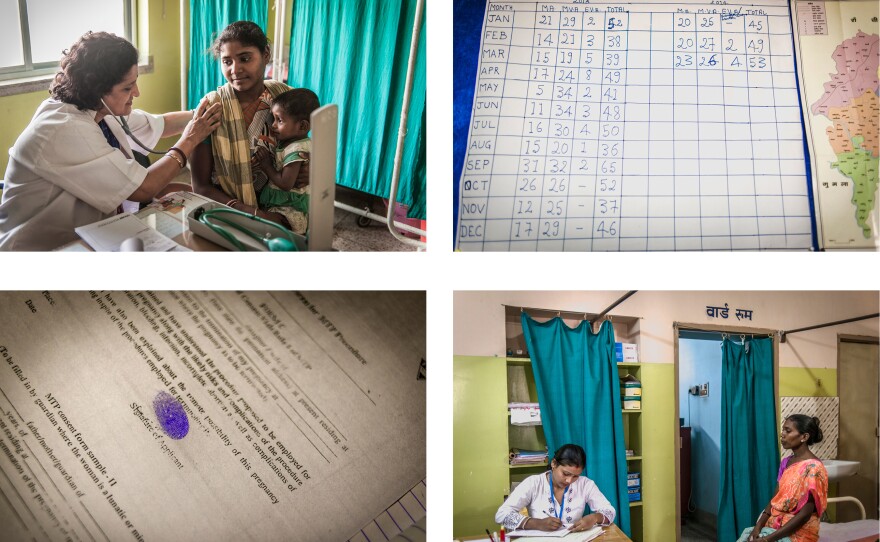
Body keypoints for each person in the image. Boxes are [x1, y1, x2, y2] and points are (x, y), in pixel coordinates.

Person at [0, 31, 221, 251]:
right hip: (39, 250)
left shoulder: (97, 110)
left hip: (87, 237)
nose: (137, 92)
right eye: (127, 87)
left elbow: (161, 124)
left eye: (135, 83)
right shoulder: (62, 128)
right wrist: (191, 139)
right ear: (97, 88)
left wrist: (204, 112)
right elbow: (144, 188)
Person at [191, 21, 308, 227]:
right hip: (228, 209)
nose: (235, 69)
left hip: (279, 208)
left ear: (266, 55)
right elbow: (200, 186)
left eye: (245, 58)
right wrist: (250, 212)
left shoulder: (285, 99)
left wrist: (306, 170)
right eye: (227, 61)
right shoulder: (212, 108)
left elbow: (301, 148)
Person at [737, 415, 828, 542]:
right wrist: (758, 527)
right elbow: (775, 500)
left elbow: (804, 515)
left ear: (804, 437)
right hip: (775, 525)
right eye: (783, 430)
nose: (782, 434)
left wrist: (767, 539)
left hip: (799, 531)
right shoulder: (786, 462)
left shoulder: (814, 468)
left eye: (788, 431)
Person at [495, 444, 616, 534]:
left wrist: (595, 518)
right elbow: (502, 515)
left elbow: (609, 511)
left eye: (575, 476)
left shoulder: (585, 484)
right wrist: (537, 523)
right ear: (554, 464)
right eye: (565, 473)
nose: (569, 480)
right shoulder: (534, 483)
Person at [251, 88, 319, 234]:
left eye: (279, 120)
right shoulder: (295, 142)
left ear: (302, 126)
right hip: (284, 207)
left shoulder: (296, 149)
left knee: (256, 222)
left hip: (288, 212)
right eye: (273, 118)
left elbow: (285, 184)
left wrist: (267, 165)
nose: (273, 125)